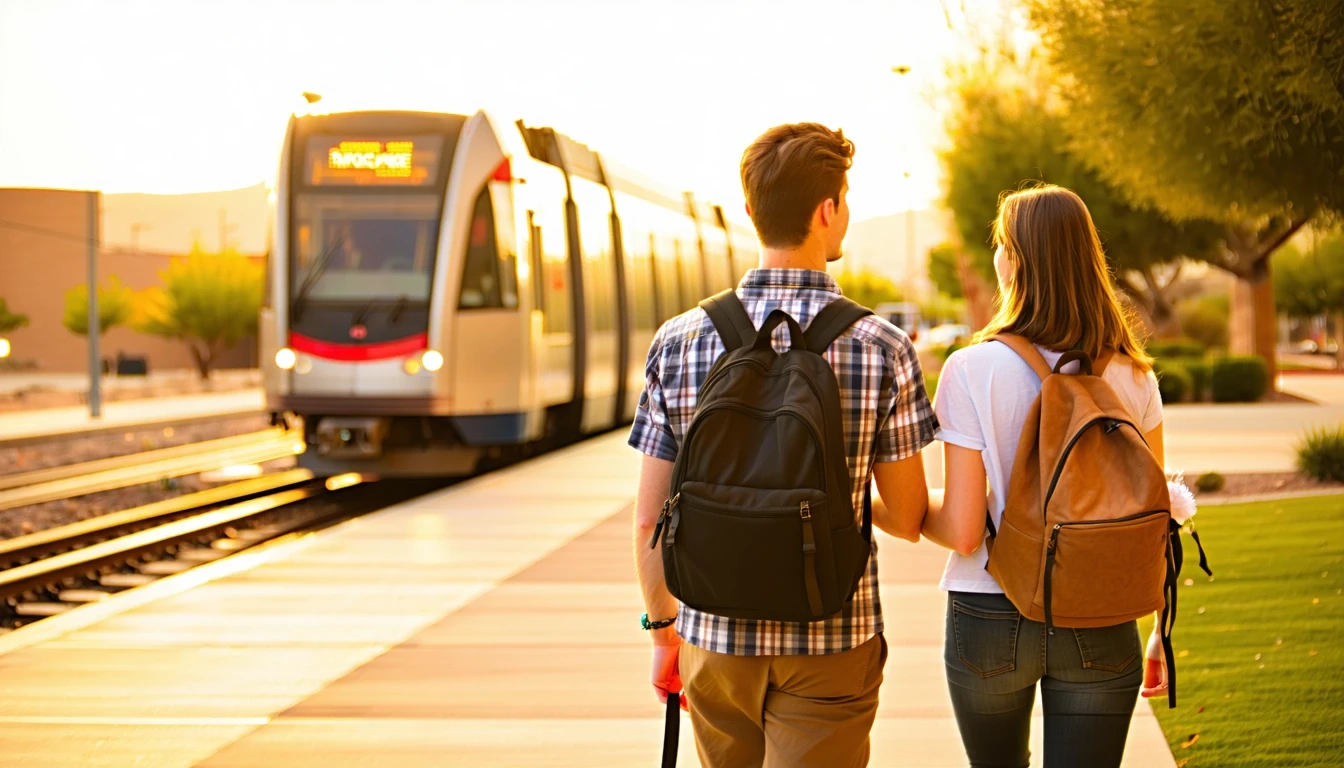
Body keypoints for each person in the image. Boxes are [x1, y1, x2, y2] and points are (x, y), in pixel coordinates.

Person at [628, 123, 939, 767]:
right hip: (832, 638)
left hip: (713, 637)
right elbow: (908, 519)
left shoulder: (680, 340)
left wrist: (664, 632)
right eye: (845, 202)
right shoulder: (881, 347)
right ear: (827, 210)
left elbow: (650, 519)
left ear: (749, 210)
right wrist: (841, 499)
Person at [921, 184, 1168, 767]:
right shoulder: (1133, 375)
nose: (997, 257)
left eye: (1001, 245)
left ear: (1016, 261)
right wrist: (1159, 627)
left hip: (989, 611)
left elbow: (962, 531)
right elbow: (1152, 516)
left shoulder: (972, 368)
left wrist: (884, 508)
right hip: (1102, 612)